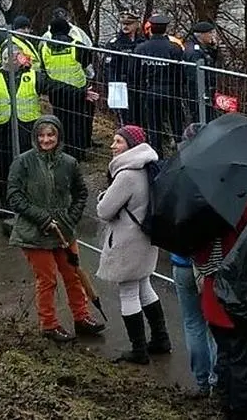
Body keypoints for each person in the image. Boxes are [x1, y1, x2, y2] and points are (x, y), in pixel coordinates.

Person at [5, 114, 105, 342]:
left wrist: (71, 217)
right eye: (41, 135)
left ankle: (82, 318)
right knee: (47, 279)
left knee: (73, 275)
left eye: (51, 135)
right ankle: (49, 324)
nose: (46, 139)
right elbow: (14, 196)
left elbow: (81, 193)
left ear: (58, 136)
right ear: (35, 137)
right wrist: (41, 218)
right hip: (34, 233)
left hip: (64, 231)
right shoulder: (23, 162)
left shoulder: (69, 163)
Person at [194, 156, 247, 420]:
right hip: (239, 302)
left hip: (214, 300)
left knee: (226, 356)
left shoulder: (202, 207)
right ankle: (240, 412)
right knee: (244, 364)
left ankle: (224, 406)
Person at [96, 124, 171, 364]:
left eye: (118, 141)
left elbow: (104, 210)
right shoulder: (149, 168)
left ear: (131, 145)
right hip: (146, 240)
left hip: (127, 242)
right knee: (144, 286)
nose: (112, 146)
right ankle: (161, 339)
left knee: (128, 292)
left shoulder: (127, 174)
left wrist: (102, 196)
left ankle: (138, 350)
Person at [172, 123, 218, 397]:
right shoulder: (218, 175)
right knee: (216, 324)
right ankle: (216, 379)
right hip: (211, 262)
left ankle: (201, 383)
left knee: (192, 323)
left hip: (181, 260)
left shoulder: (175, 174)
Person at [0, 43, 43, 235]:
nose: (23, 59)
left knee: (28, 169)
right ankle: (6, 207)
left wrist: (81, 92)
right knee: (5, 170)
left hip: (26, 128)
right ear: (10, 59)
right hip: (1, 131)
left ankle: (28, 207)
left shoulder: (30, 75)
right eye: (19, 57)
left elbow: (53, 86)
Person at [39, 16, 95, 159]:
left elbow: (44, 68)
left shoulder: (44, 48)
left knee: (60, 122)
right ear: (68, 30)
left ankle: (63, 151)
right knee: (78, 123)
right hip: (77, 92)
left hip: (57, 93)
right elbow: (86, 63)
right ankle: (79, 153)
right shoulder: (77, 45)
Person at [133, 13, 185, 155]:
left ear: (150, 29)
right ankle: (181, 153)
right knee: (176, 124)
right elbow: (180, 72)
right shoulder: (174, 48)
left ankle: (157, 154)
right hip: (171, 91)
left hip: (150, 91)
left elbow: (135, 73)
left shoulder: (141, 49)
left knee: (154, 126)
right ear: (165, 29)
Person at [103, 8, 146, 126]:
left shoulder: (142, 42)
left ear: (137, 24)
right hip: (121, 84)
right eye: (123, 24)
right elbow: (108, 67)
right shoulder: (115, 43)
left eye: (129, 24)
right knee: (125, 118)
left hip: (139, 84)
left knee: (141, 116)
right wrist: (113, 85)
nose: (125, 26)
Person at [182, 21, 222, 123]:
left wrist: (214, 49)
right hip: (198, 92)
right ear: (201, 35)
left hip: (205, 89)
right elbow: (193, 75)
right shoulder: (194, 52)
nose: (212, 36)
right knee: (201, 118)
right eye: (210, 33)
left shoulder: (202, 48)